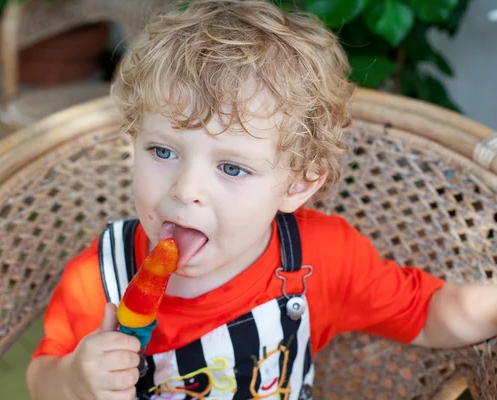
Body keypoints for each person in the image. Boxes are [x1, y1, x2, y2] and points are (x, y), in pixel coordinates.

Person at [26, 1, 497, 399]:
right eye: (163, 151)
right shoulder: (101, 278)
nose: (185, 190)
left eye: (232, 167)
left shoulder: (323, 257)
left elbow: (431, 313)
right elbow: (40, 377)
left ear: (297, 185)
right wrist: (74, 380)